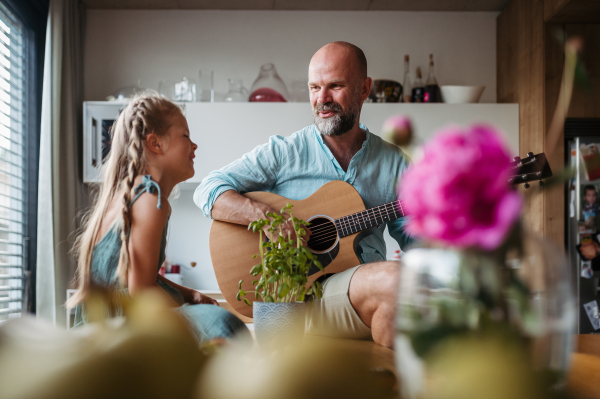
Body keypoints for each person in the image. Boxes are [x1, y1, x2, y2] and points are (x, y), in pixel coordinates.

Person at [195, 42, 410, 348]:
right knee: (395, 281)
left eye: (335, 86)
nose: (322, 99)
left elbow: (422, 246)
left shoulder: (395, 163)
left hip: (364, 293)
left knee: (405, 293)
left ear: (364, 89)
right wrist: (266, 217)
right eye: (314, 87)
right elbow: (209, 189)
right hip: (293, 300)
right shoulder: (284, 152)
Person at [68, 92, 249, 344]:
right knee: (224, 323)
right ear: (156, 143)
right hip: (120, 326)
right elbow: (141, 293)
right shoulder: (149, 196)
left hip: (103, 320)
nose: (194, 145)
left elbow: (139, 275)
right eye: (185, 136)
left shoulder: (130, 193)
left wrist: (189, 296)